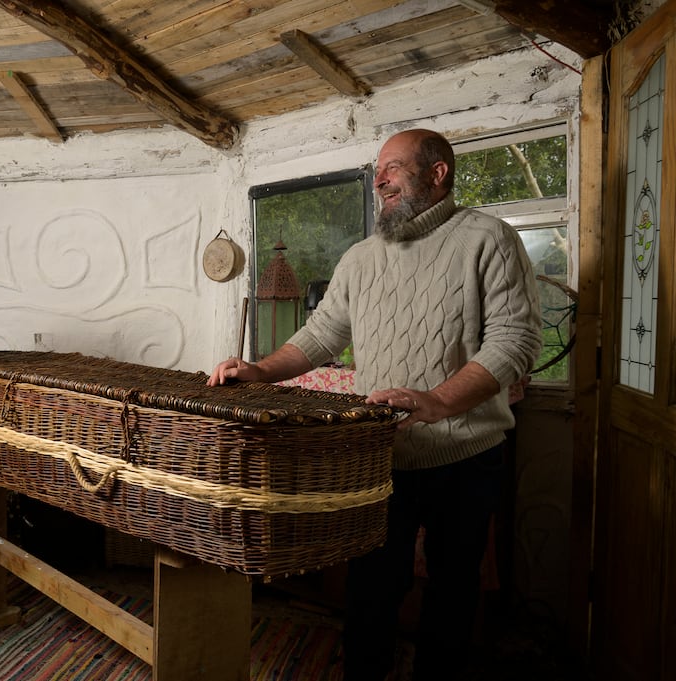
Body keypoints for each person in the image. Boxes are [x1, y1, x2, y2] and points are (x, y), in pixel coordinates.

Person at [208, 129, 542, 681]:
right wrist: (260, 369)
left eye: (393, 168)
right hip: (379, 454)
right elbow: (319, 337)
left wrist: (437, 401)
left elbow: (515, 341)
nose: (380, 179)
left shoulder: (489, 237)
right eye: (378, 170)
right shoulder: (360, 257)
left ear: (438, 174)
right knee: (371, 588)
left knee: (453, 591)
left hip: (466, 456)